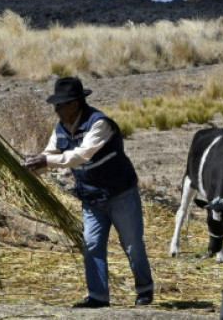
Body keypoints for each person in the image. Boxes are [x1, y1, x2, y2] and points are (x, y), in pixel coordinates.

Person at [23, 76, 154, 309]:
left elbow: (81, 155)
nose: (56, 111)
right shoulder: (60, 129)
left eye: (59, 105)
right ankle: (98, 296)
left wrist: (46, 161)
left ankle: (144, 290)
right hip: (91, 198)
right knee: (92, 244)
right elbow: (50, 154)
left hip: (121, 193)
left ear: (75, 104)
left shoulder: (99, 124)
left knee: (132, 244)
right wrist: (30, 169)